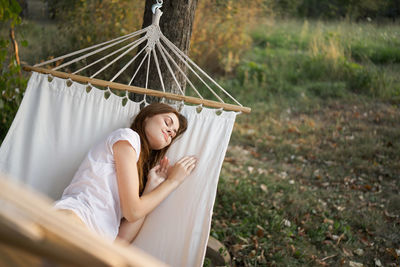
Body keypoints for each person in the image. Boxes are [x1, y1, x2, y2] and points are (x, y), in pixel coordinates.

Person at [54, 103, 197, 243]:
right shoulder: (127, 137)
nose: (170, 131)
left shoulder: (138, 170)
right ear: (147, 117)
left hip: (97, 244)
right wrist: (173, 182)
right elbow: (133, 211)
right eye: (167, 122)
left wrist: (149, 191)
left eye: (173, 134)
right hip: (75, 220)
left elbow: (120, 241)